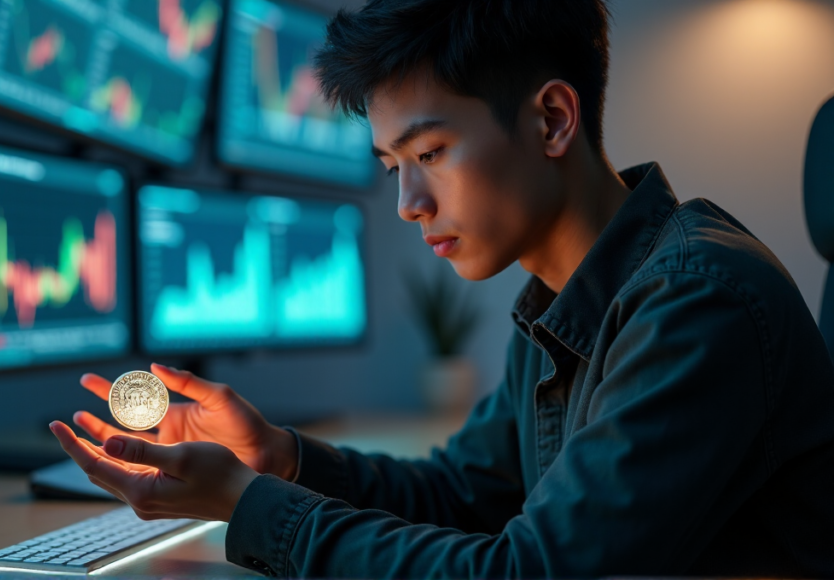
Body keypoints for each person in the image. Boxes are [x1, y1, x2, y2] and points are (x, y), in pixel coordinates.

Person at [48, 0, 834, 577]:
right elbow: (467, 495)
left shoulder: (698, 304)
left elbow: (530, 575)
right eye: (394, 167)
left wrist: (245, 504)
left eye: (430, 152)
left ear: (553, 120)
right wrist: (277, 458)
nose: (408, 204)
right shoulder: (561, 306)